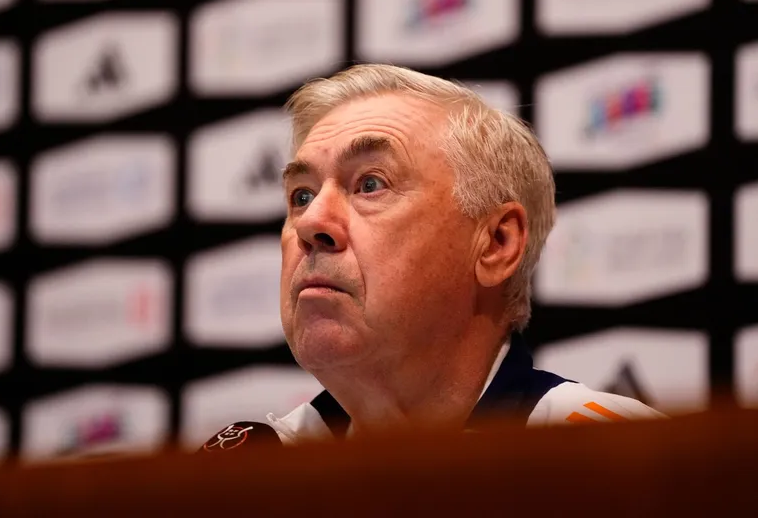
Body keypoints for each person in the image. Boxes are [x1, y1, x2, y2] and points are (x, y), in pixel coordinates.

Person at [205, 63, 664, 448]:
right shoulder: (241, 479)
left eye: (370, 184)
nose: (310, 223)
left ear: (496, 243)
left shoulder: (622, 462)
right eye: (301, 196)